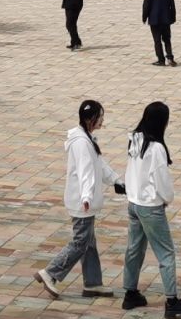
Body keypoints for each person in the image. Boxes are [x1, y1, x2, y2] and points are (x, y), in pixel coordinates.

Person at [38, 99, 122, 298]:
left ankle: (93, 283)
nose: (102, 120)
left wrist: (117, 181)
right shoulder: (82, 143)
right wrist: (86, 196)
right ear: (89, 118)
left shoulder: (87, 139)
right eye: (100, 117)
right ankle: (51, 273)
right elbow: (86, 172)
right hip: (82, 201)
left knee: (89, 242)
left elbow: (99, 164)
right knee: (80, 242)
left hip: (84, 200)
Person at [122, 100, 181, 319]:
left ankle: (130, 292)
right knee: (165, 253)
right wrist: (167, 199)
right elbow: (161, 180)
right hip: (150, 206)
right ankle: (172, 301)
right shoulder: (156, 148)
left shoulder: (135, 139)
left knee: (134, 249)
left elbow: (131, 170)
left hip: (134, 203)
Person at [142, 0, 178, 66]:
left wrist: (144, 18)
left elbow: (146, 6)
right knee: (167, 39)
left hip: (154, 20)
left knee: (157, 41)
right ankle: (170, 57)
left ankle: (161, 59)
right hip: (166, 20)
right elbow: (172, 5)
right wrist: (173, 17)